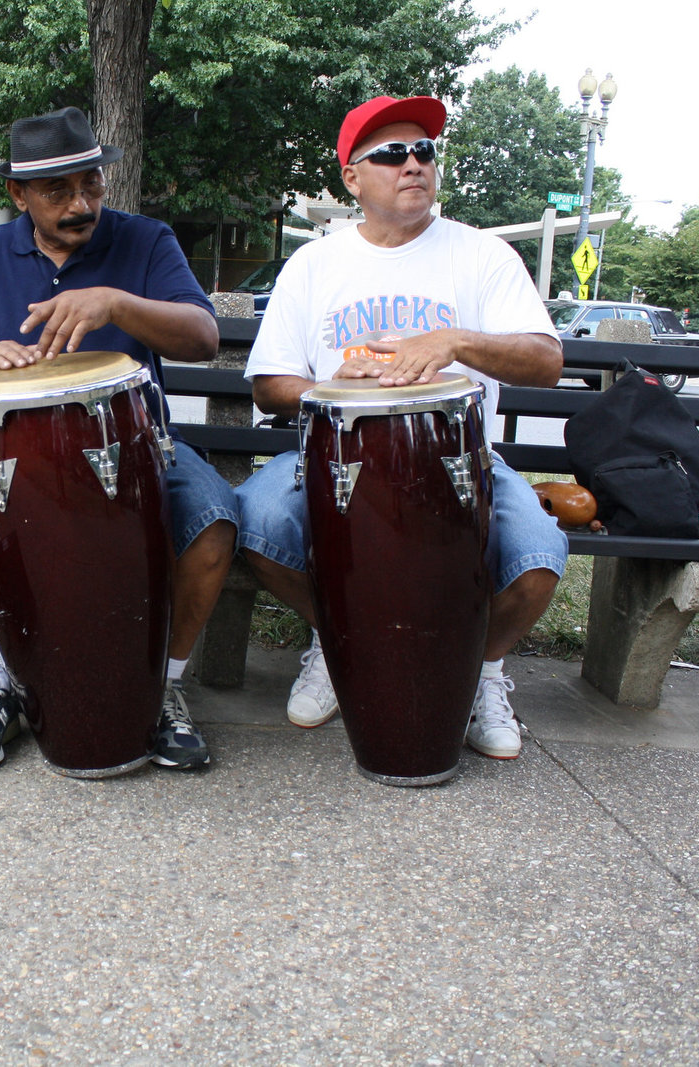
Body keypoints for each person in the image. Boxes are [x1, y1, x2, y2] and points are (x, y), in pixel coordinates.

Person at [234, 94, 567, 761]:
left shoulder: (483, 256)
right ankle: (340, 641)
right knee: (254, 524)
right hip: (337, 455)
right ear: (352, 178)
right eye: (392, 153)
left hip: (458, 458)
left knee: (536, 560)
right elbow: (271, 383)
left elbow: (546, 360)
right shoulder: (315, 264)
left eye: (425, 151)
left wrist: (453, 341)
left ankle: (475, 669)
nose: (413, 163)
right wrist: (332, 389)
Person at [0, 106, 239, 770]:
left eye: (90, 183)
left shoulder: (145, 241)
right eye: (58, 191)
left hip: (135, 443)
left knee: (213, 522)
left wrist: (115, 303)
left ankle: (161, 689)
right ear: (18, 194)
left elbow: (204, 337)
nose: (80, 203)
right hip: (6, 453)